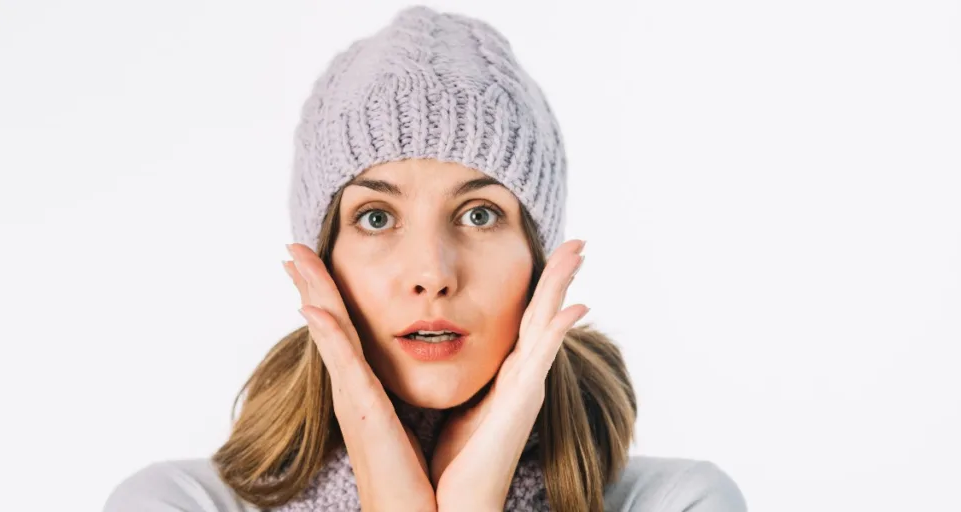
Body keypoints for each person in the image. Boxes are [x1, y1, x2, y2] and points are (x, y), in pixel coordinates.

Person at [103, 5, 746, 511]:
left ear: (539, 257)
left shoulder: (680, 502)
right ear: (320, 261)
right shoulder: (173, 503)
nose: (433, 275)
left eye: (479, 214)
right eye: (376, 218)